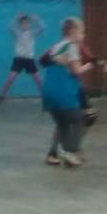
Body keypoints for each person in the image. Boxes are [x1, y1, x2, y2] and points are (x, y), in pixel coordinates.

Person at [40, 17, 91, 167]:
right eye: (82, 32)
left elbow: (43, 60)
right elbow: (76, 71)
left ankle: (55, 153)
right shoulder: (71, 47)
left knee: (62, 124)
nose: (83, 35)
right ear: (73, 31)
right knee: (79, 120)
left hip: (49, 91)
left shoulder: (56, 46)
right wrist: (88, 66)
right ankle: (70, 151)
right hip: (63, 91)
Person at [0, 13, 44, 103]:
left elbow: (42, 27)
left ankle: (45, 96)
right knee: (10, 78)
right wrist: (15, 18)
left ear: (29, 24)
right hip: (18, 59)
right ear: (20, 24)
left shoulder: (32, 33)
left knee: (38, 80)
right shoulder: (18, 33)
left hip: (29, 60)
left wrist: (37, 19)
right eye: (23, 23)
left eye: (27, 23)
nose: (25, 25)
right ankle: (1, 96)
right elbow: (9, 28)